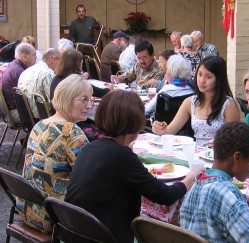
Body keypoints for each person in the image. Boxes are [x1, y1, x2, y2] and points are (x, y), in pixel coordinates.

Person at [64, 90, 201, 242]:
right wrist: (189, 179)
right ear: (136, 124)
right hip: (104, 236)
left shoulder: (89, 148)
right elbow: (165, 196)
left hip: (73, 231)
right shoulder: (122, 156)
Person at [17, 74, 91, 233]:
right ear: (67, 98)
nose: (90, 105)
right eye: (84, 99)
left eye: (90, 100)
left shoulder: (39, 124)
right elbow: (90, 178)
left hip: (26, 210)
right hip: (53, 217)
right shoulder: (71, 131)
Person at [152, 56, 240, 147]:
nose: (202, 80)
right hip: (195, 154)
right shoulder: (190, 102)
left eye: (208, 77)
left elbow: (235, 138)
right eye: (200, 74)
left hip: (219, 155)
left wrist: (222, 142)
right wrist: (160, 129)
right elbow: (170, 130)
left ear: (218, 79)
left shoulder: (228, 105)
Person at [18, 48, 61, 119]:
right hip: (41, 116)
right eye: (60, 61)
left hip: (25, 114)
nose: (61, 64)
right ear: (53, 59)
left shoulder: (26, 71)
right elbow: (54, 101)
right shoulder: (48, 73)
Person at [0, 42, 36, 123]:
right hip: (15, 112)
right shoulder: (18, 71)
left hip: (10, 110)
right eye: (34, 54)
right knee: (44, 113)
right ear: (25, 56)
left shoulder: (13, 65)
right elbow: (28, 96)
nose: (35, 57)